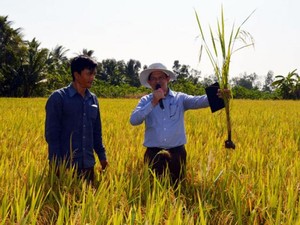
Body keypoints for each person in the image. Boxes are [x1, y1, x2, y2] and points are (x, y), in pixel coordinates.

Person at [130, 62, 227, 186]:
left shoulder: (179, 98)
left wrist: (218, 95)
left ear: (167, 79)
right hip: (154, 154)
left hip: (177, 154)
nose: (157, 81)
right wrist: (153, 102)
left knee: (177, 189)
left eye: (160, 77)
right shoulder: (145, 101)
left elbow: (198, 101)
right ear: (149, 82)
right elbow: (134, 120)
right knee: (154, 190)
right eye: (153, 78)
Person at [45, 55, 108, 183]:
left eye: (94, 74)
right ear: (77, 75)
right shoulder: (58, 98)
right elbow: (52, 135)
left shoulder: (93, 99)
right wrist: (57, 166)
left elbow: (96, 133)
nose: (92, 78)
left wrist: (103, 158)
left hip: (88, 165)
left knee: (88, 200)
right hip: (66, 167)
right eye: (89, 74)